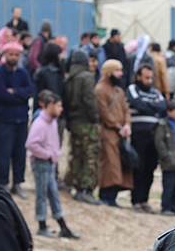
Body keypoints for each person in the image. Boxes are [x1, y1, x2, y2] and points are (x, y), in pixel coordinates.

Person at [25, 91, 77, 239]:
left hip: (49, 163)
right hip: (41, 163)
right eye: (59, 106)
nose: (61, 109)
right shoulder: (40, 123)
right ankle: (42, 225)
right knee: (41, 194)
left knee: (53, 194)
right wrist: (47, 154)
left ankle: (63, 226)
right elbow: (30, 144)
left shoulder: (53, 121)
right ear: (50, 105)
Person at [0, 42, 35, 198]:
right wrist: (20, 97)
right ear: (5, 55)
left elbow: (30, 91)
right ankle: (3, 182)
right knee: (4, 152)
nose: (13, 57)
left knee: (20, 152)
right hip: (4, 118)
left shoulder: (23, 73)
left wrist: (15, 92)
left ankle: (17, 183)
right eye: (11, 54)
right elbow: (1, 94)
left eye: (16, 55)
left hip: (21, 119)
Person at [124, 65, 168, 213]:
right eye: (146, 78)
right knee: (139, 167)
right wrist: (153, 107)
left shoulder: (156, 92)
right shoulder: (132, 89)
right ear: (139, 77)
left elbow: (163, 107)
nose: (149, 81)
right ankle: (136, 200)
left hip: (154, 135)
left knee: (150, 168)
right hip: (139, 134)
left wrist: (148, 106)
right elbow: (138, 104)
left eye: (151, 78)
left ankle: (145, 200)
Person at [63, 52, 101, 204]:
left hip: (74, 121)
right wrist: (95, 119)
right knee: (90, 156)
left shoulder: (68, 78)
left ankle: (78, 189)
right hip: (87, 122)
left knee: (77, 156)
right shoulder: (86, 77)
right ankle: (87, 190)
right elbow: (89, 100)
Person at [95, 60, 133, 207]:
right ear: (109, 72)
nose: (120, 74)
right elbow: (104, 112)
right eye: (117, 71)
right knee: (109, 166)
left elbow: (126, 110)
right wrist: (118, 126)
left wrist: (127, 125)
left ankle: (113, 196)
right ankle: (105, 195)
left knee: (118, 165)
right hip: (108, 133)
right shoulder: (100, 89)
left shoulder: (119, 91)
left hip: (120, 134)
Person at [154, 100, 175, 216]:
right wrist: (166, 156)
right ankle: (166, 207)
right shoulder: (163, 124)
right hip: (170, 160)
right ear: (169, 112)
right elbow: (159, 141)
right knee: (169, 184)